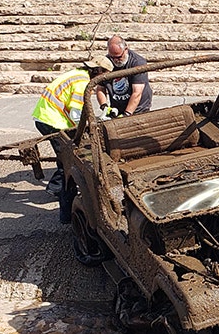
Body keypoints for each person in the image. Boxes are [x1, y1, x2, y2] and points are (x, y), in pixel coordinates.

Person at [32, 55, 114, 223]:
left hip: (48, 117)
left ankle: (56, 188)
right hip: (52, 120)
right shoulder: (81, 83)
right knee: (69, 160)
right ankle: (60, 193)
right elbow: (76, 115)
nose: (104, 80)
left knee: (65, 158)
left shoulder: (79, 75)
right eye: (104, 75)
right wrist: (88, 129)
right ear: (97, 71)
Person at [96, 34, 152, 117]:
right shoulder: (107, 61)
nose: (115, 60)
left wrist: (127, 114)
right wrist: (104, 107)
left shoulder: (137, 62)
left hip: (138, 109)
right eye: (112, 57)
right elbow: (100, 88)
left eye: (118, 57)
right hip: (117, 108)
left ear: (126, 49)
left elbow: (137, 93)